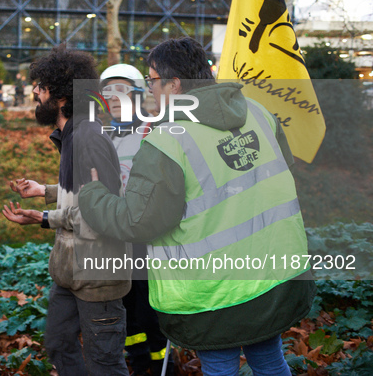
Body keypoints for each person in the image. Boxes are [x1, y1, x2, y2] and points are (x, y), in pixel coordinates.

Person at [78, 37, 316, 375]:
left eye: (152, 81)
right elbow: (272, 180)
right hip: (275, 277)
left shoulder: (168, 140)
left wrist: (92, 196)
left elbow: (137, 221)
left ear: (174, 85)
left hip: (215, 293)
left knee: (220, 366)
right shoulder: (260, 115)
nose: (150, 90)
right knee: (269, 359)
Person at [2, 45, 131, 375]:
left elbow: (103, 213)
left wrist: (44, 218)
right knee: (59, 342)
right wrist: (44, 192)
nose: (33, 92)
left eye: (40, 86)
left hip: (98, 278)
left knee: (105, 364)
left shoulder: (89, 137)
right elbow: (87, 194)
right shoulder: (72, 135)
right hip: (70, 274)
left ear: (59, 96)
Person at [99, 63, 174, 376]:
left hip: (147, 242)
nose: (113, 98)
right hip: (116, 239)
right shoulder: (105, 138)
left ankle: (163, 369)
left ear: (138, 94)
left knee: (148, 312)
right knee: (125, 311)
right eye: (108, 92)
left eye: (121, 90)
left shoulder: (153, 133)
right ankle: (140, 363)